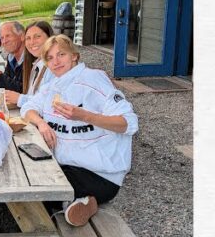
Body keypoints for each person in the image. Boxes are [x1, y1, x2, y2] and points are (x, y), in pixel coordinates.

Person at [21, 35, 139, 227]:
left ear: (74, 56)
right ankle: (77, 204)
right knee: (30, 176)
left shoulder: (93, 79)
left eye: (61, 54)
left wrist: (85, 116)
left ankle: (78, 204)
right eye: (50, 58)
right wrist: (41, 124)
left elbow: (129, 123)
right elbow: (28, 109)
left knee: (35, 190)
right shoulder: (52, 87)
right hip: (67, 167)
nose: (56, 61)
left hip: (99, 174)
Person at [4, 20, 54, 108]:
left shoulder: (55, 67)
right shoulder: (35, 65)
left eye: (37, 36)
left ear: (50, 38)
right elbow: (34, 97)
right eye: (28, 38)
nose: (32, 42)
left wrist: (19, 98)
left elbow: (50, 103)